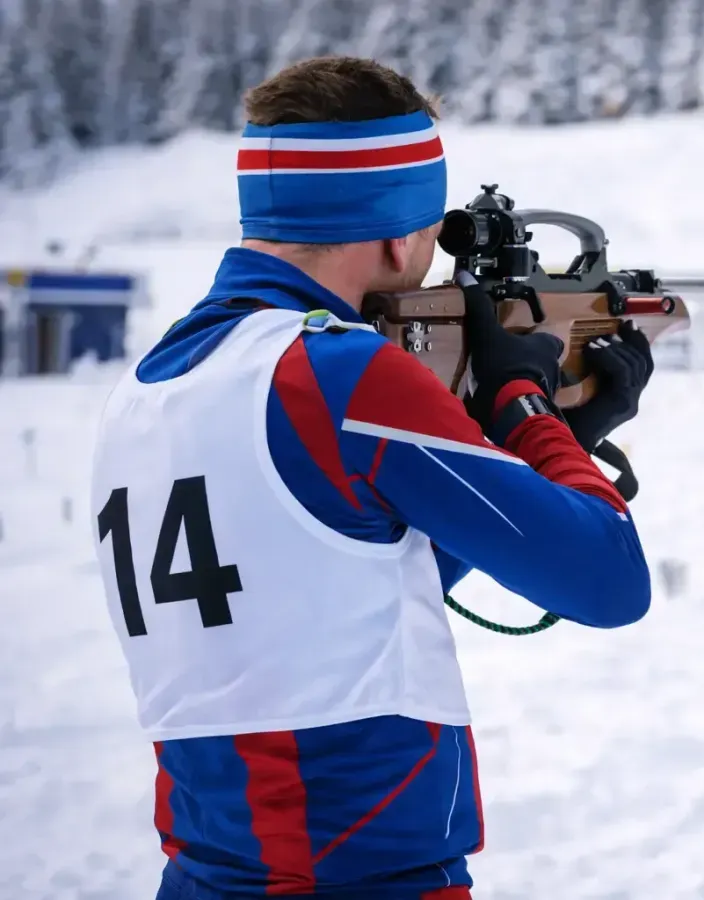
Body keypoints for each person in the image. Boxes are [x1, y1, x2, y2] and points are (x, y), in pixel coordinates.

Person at [88, 56, 655, 900]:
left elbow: (363, 583)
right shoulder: (343, 374)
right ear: (398, 237)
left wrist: (555, 444)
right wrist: (525, 408)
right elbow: (609, 581)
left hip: (205, 872)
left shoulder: (144, 391)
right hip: (366, 877)